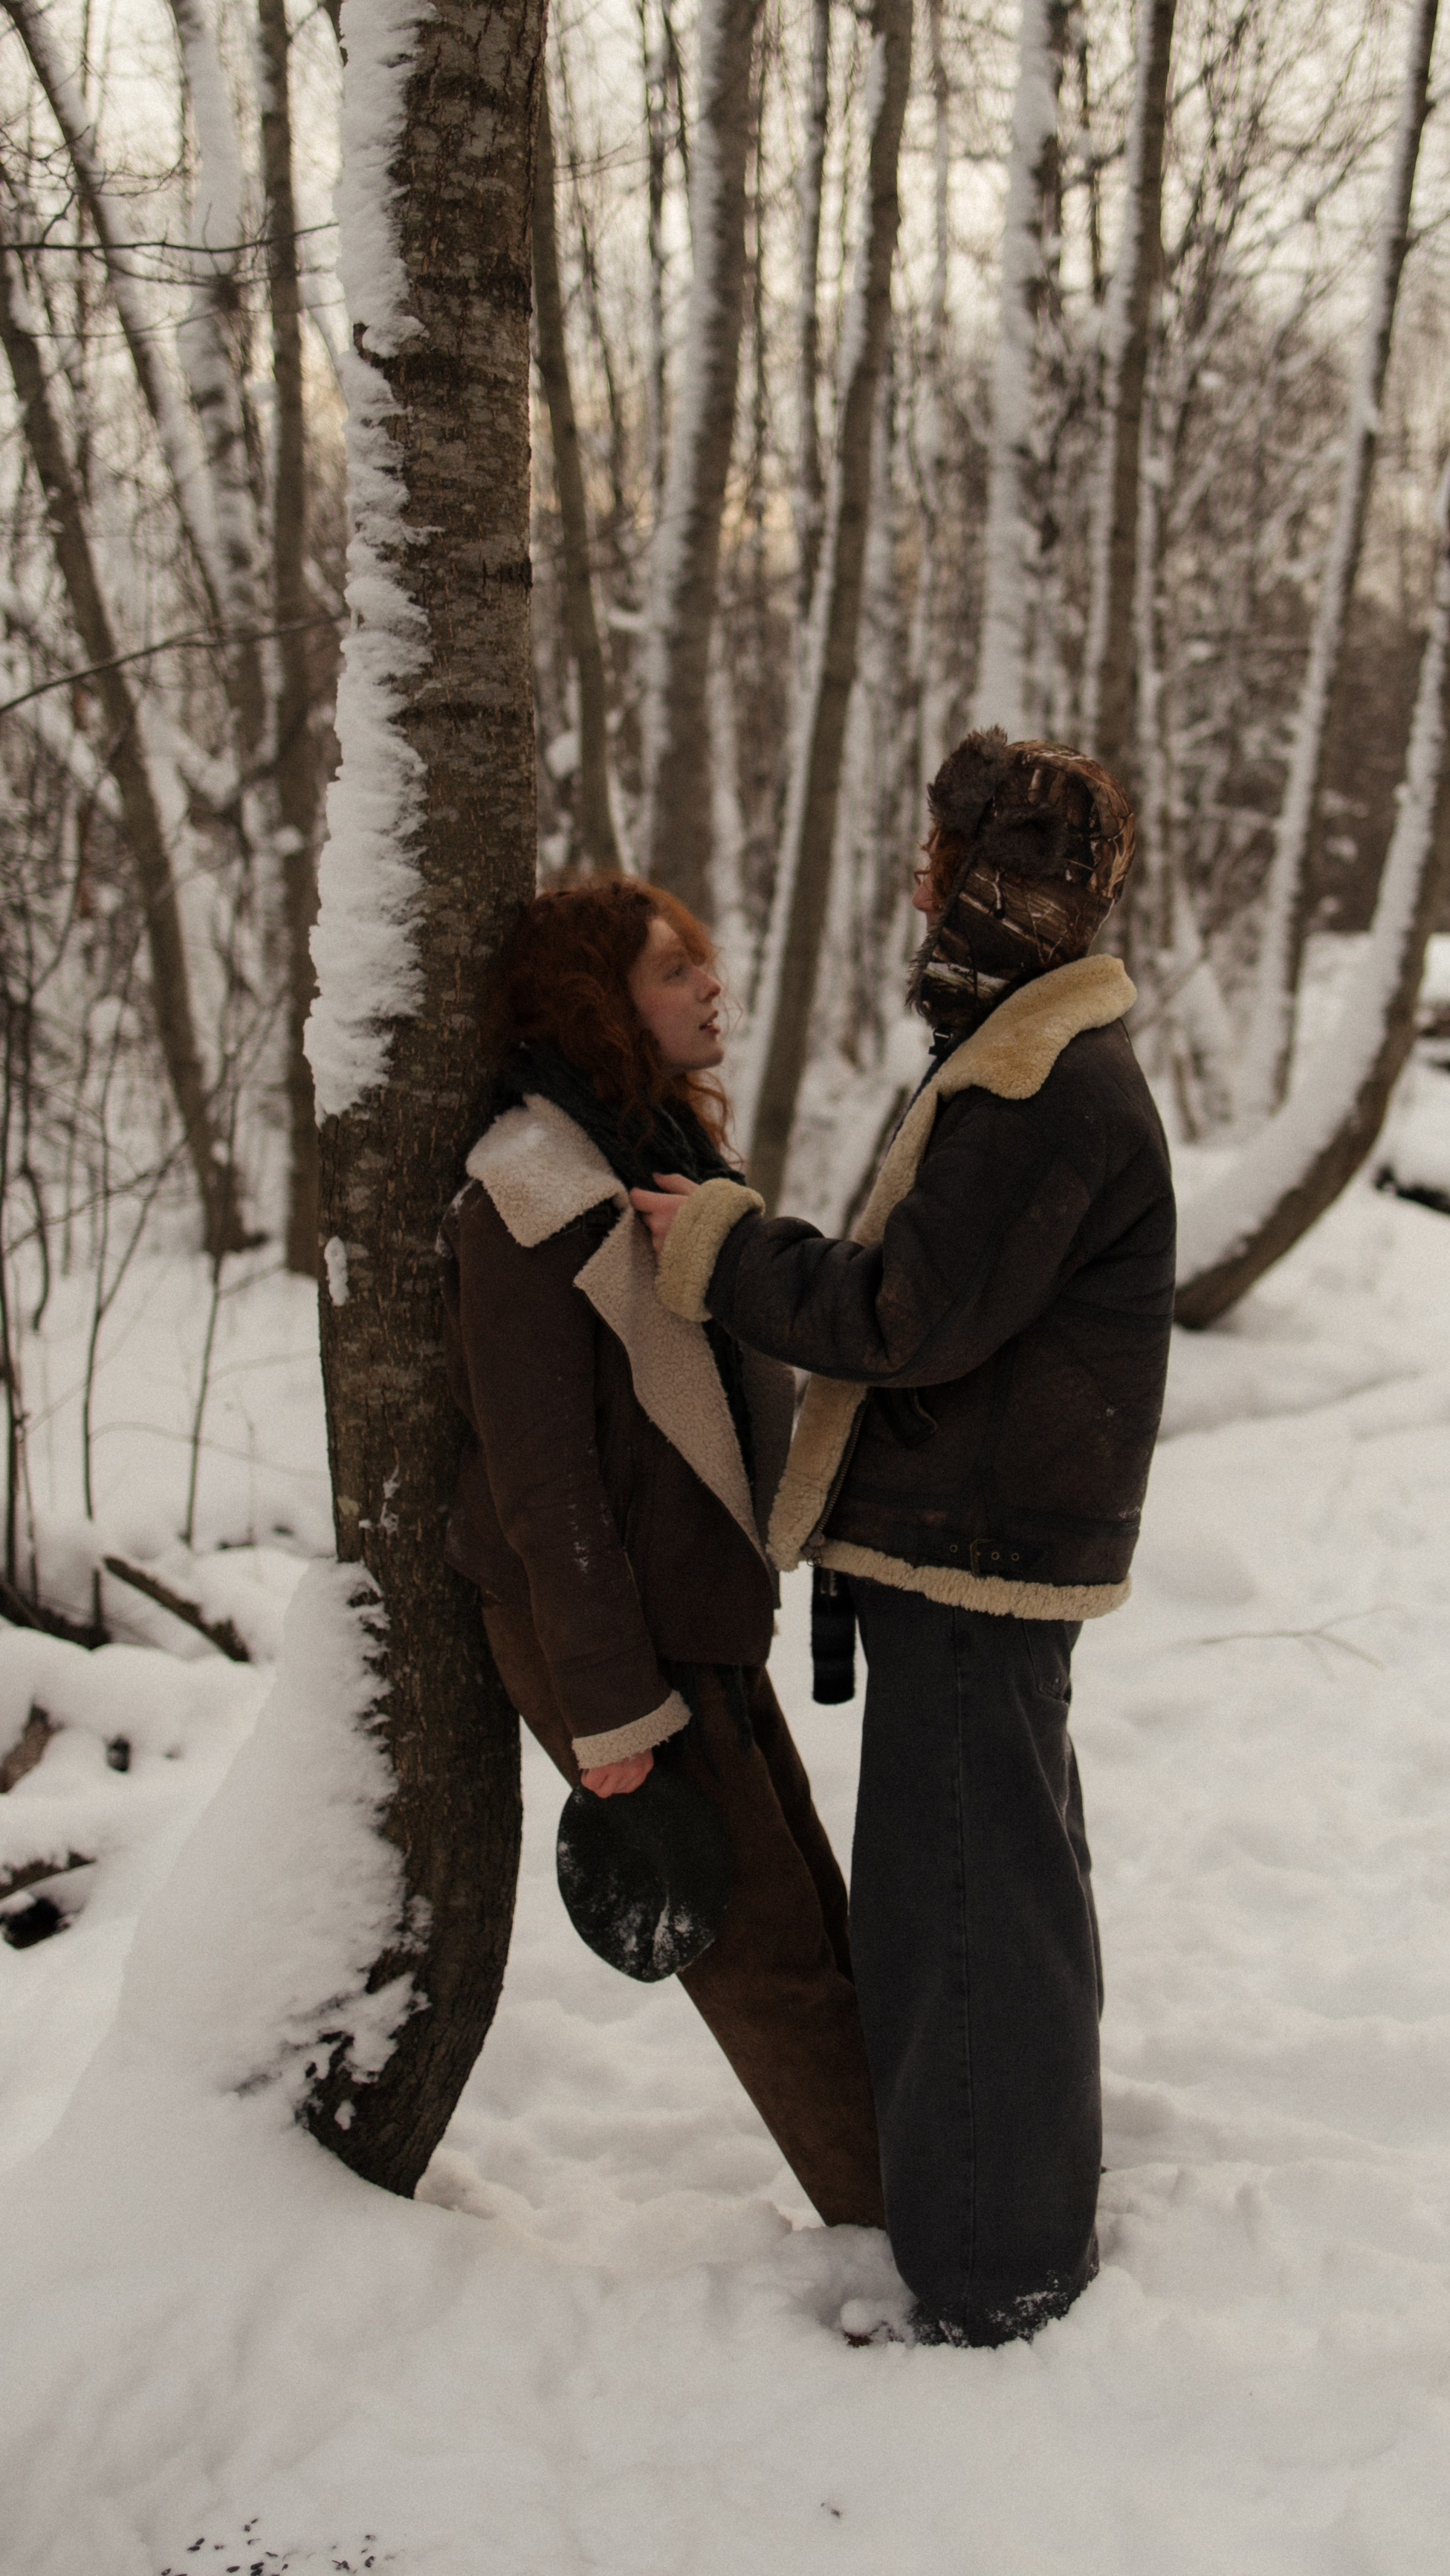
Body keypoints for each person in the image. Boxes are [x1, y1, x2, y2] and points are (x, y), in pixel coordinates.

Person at [632, 733, 1176, 2346]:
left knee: (965, 1912)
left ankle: (995, 2266)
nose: (919, 894)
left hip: (974, 1560)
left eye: (941, 868)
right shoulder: (1027, 1055)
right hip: (977, 1549)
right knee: (992, 1889)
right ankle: (1008, 2220)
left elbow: (898, 1315)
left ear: (999, 888)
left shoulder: (1036, 1084)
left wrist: (720, 1243)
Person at [437, 875, 884, 2230]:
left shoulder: (656, 1155)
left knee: (815, 1915)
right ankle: (907, 2230)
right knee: (766, 1963)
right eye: (673, 969)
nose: (710, 986)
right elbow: (541, 1478)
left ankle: (940, 2185)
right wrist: (612, 1709)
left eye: (701, 961)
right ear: (599, 1003)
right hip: (613, 1634)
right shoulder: (528, 1193)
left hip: (696, 1610)